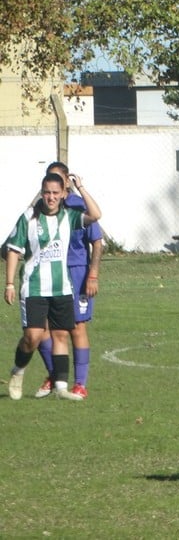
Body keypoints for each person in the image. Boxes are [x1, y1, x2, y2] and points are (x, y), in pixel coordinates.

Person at [4, 172, 102, 401]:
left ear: (63, 194)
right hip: (35, 287)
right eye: (47, 192)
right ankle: (18, 370)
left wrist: (82, 189)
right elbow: (13, 251)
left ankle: (60, 387)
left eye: (55, 193)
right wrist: (9, 284)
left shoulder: (69, 216)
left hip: (61, 288)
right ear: (42, 192)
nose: (50, 197)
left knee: (60, 334)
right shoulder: (29, 217)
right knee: (33, 336)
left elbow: (96, 215)